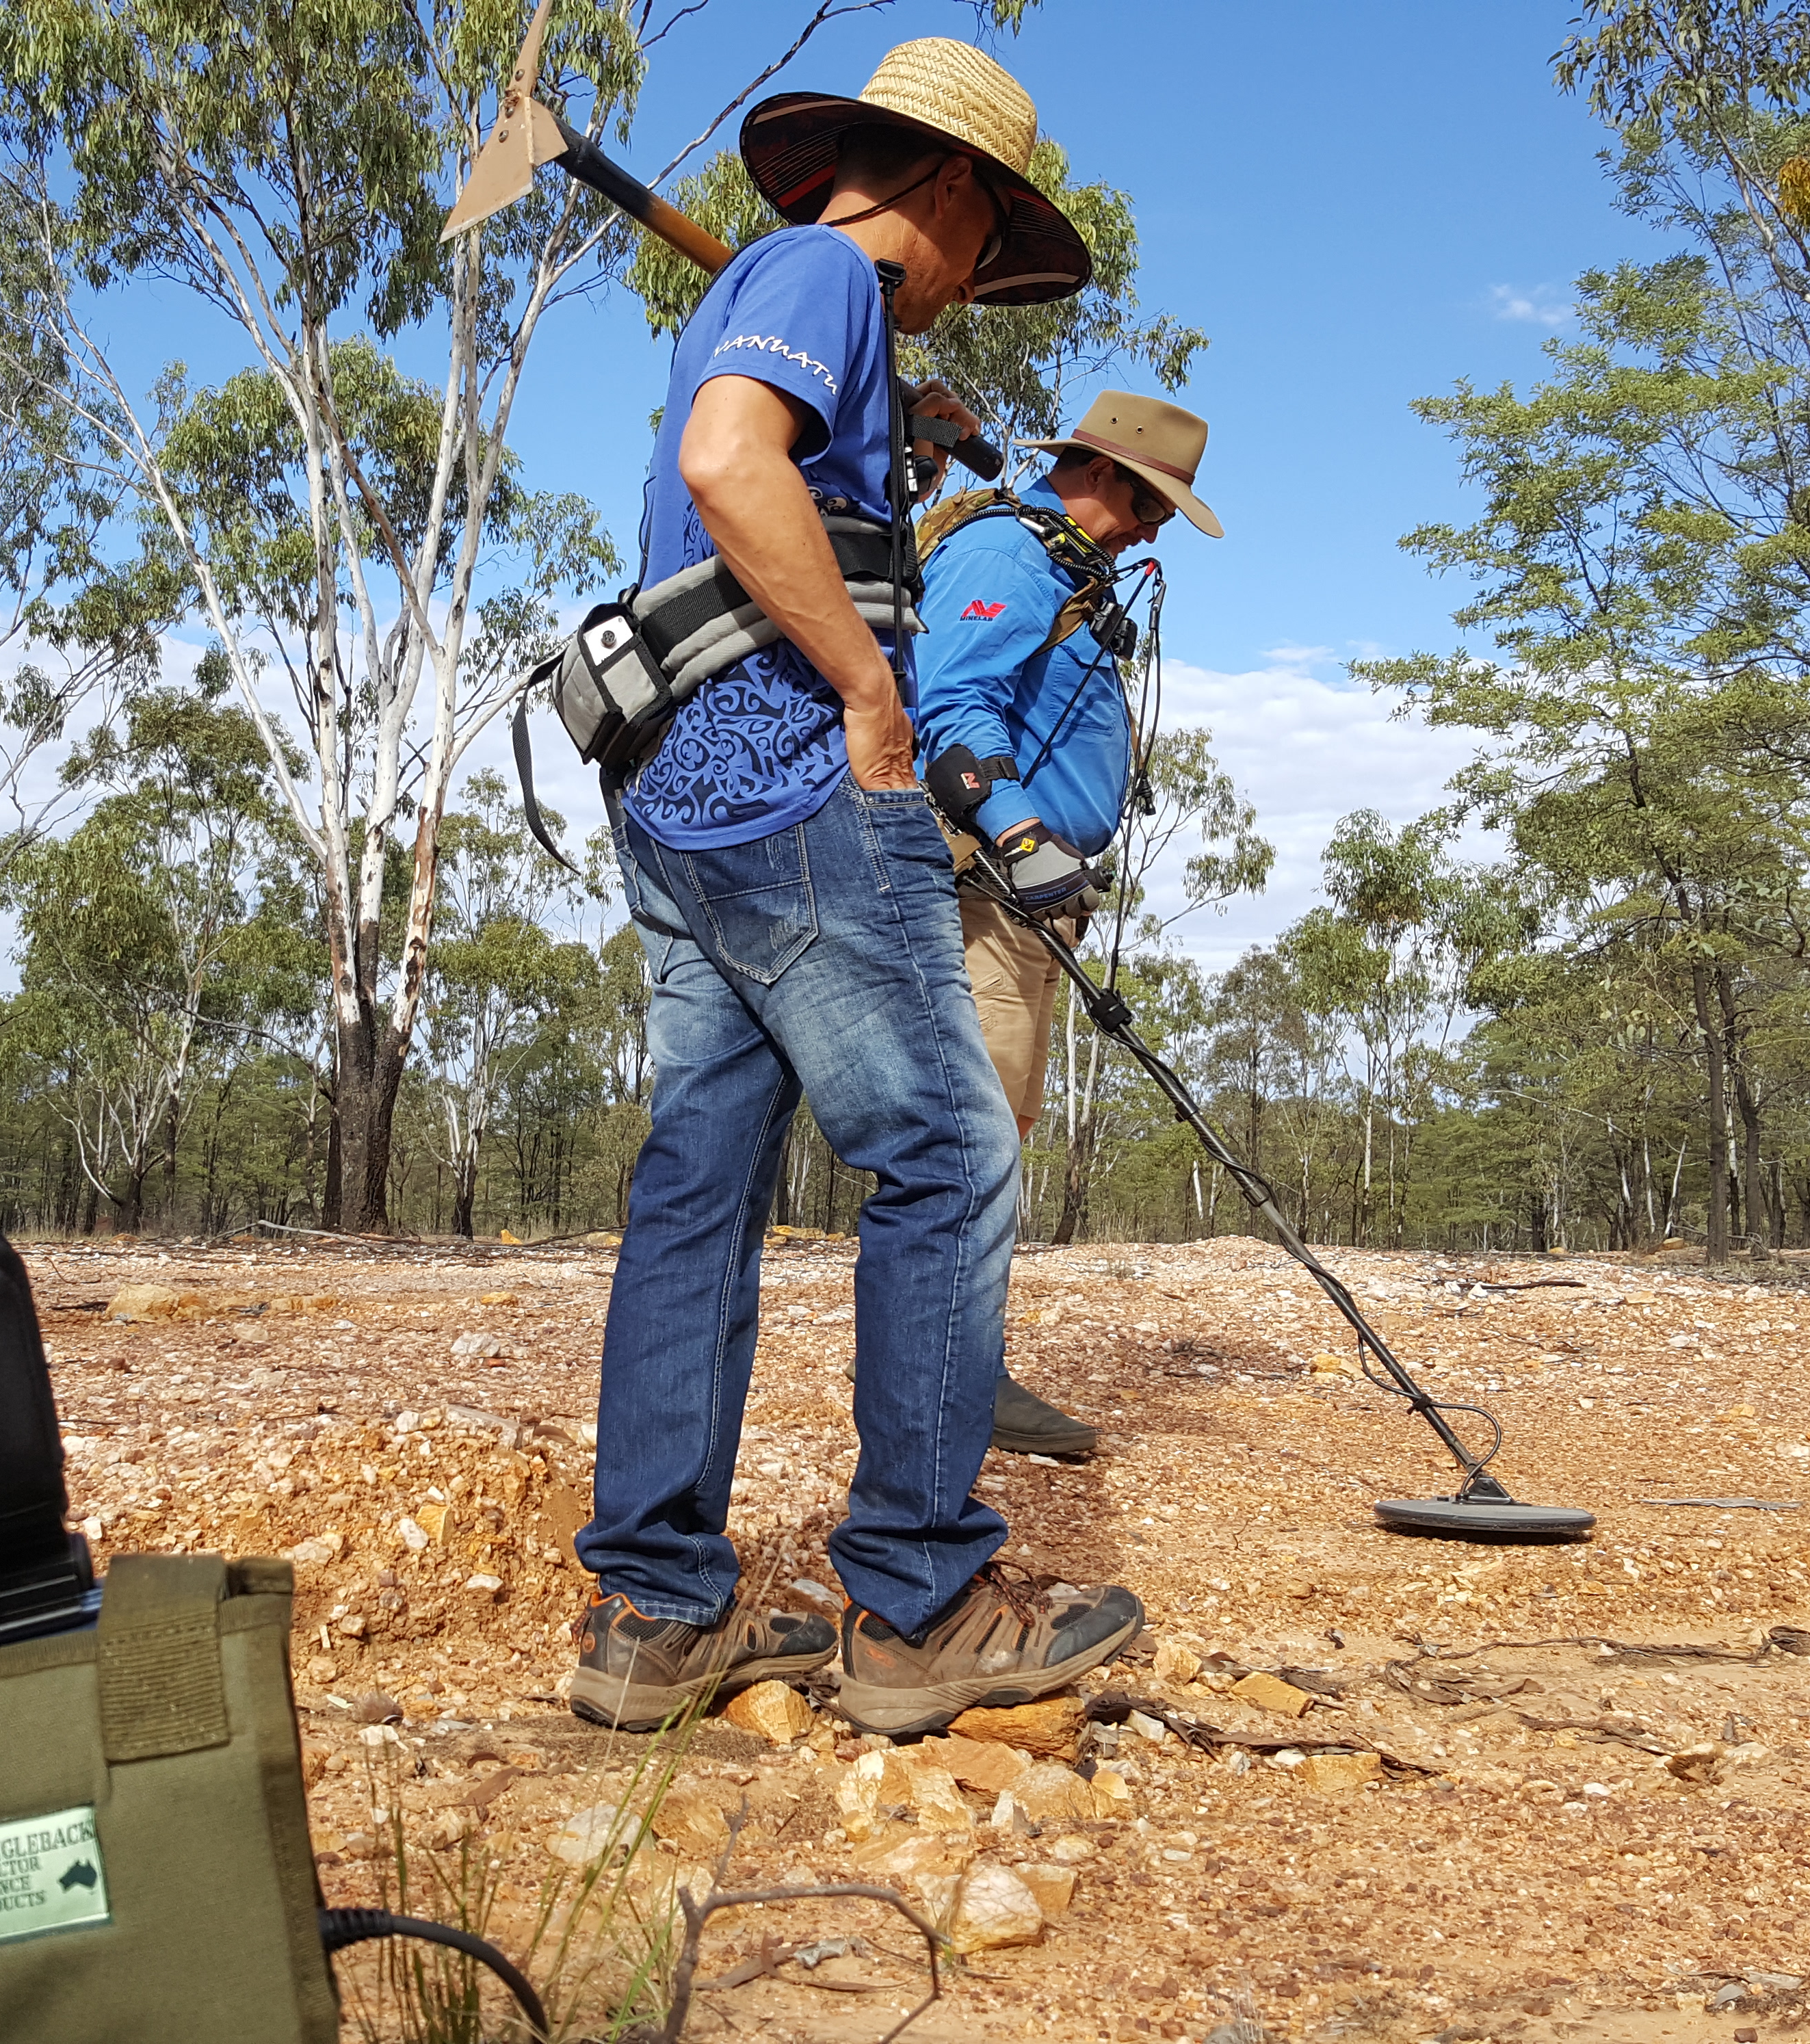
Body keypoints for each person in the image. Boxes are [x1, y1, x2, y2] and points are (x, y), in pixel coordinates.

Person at [567, 38, 1146, 1740]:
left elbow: (777, 465)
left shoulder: (790, 302)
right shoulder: (820, 269)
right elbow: (734, 466)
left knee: (703, 1182)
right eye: (984, 251)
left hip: (677, 799)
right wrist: (872, 697)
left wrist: (898, 421)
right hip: (800, 785)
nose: (973, 292)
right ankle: (917, 1601)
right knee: (950, 1154)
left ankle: (655, 1618)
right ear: (953, 188)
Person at [915, 393, 1224, 1469]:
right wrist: (1023, 832)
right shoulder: (1007, 553)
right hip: (980, 897)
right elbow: (948, 706)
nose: (1152, 532)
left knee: (1000, 1132)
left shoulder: (1066, 570)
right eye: (1152, 509)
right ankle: (951, 1386)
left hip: (1025, 905)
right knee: (967, 1144)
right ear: (1105, 476)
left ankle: (962, 1370)